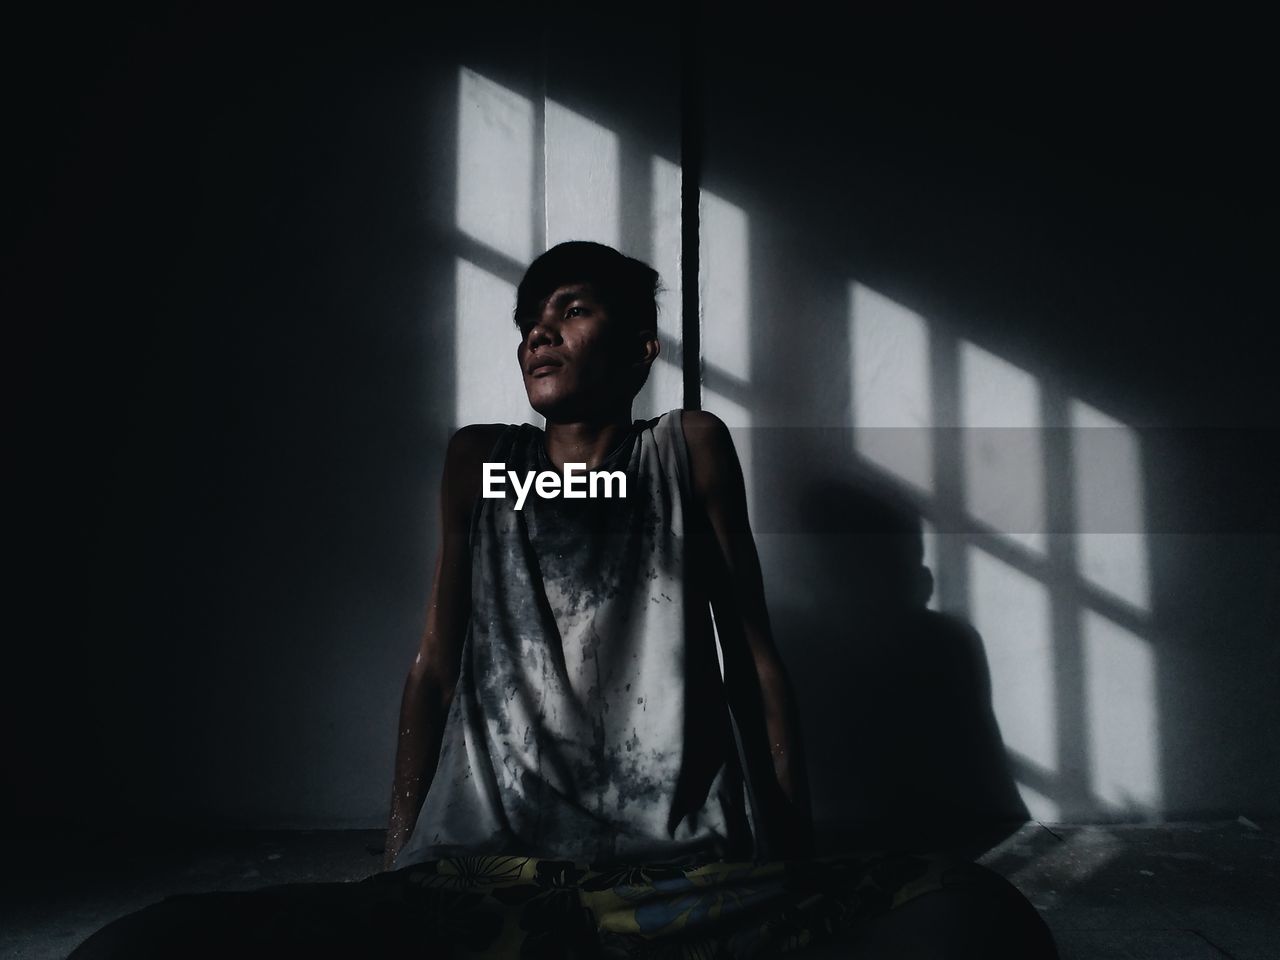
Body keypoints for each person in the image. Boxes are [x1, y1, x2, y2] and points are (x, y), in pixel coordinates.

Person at [71, 241, 1057, 958]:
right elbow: (433, 666)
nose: (539, 328)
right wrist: (399, 859)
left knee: (979, 917)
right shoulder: (483, 465)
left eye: (573, 307)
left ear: (637, 349)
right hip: (484, 870)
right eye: (528, 319)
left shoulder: (684, 450)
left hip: (676, 872)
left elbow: (751, 658)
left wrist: (789, 867)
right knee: (138, 946)